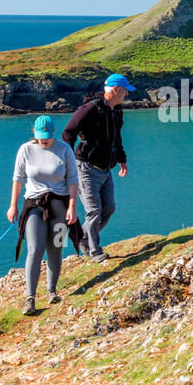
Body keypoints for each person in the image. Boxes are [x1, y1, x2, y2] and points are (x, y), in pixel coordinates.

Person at [8, 114, 79, 315]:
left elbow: (73, 180)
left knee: (56, 248)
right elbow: (18, 179)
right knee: (35, 248)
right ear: (34, 133)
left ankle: (51, 291)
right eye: (40, 136)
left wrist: (72, 208)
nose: (44, 139)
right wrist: (12, 206)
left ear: (54, 133)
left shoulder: (65, 149)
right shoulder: (25, 149)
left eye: (47, 136)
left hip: (60, 206)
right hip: (34, 205)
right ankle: (30, 299)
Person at [63, 73, 133, 263]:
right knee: (94, 211)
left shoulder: (116, 110)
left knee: (109, 208)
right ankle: (94, 251)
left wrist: (122, 158)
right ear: (116, 89)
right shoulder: (90, 109)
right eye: (125, 90)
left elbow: (116, 137)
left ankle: (82, 237)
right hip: (86, 168)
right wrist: (67, 162)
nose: (127, 94)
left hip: (106, 169)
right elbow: (68, 133)